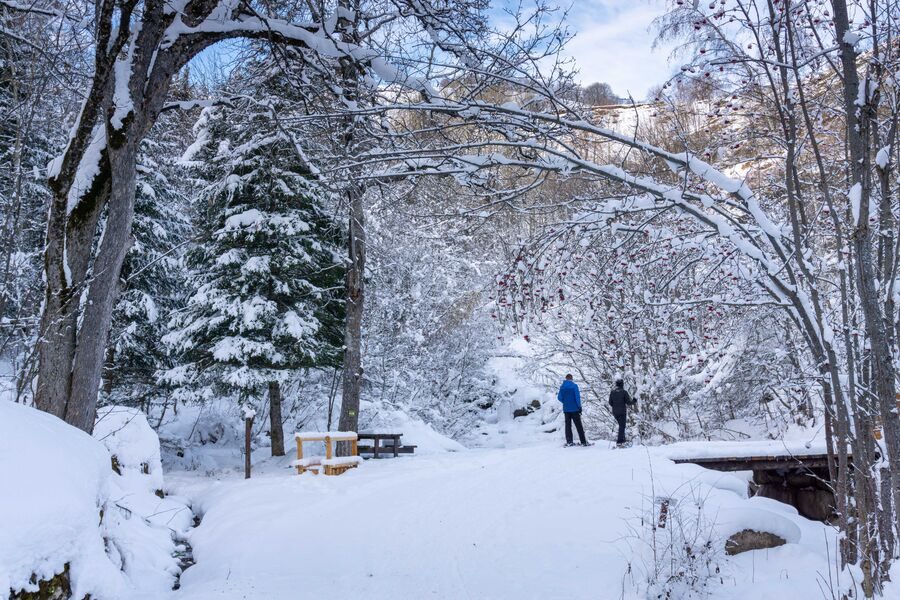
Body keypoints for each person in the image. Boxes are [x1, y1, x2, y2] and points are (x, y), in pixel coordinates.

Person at [557, 374, 589, 446]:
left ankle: (569, 442)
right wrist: (579, 406)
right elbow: (577, 397)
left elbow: (559, 397)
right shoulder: (574, 386)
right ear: (571, 378)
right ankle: (583, 442)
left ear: (566, 378)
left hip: (566, 409)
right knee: (578, 425)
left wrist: (565, 402)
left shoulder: (562, 387)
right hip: (575, 409)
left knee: (568, 426)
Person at [609, 379, 636, 447]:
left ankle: (622, 440)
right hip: (622, 412)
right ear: (622, 384)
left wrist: (615, 406)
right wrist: (634, 401)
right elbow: (628, 402)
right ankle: (620, 442)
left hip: (615, 412)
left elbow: (610, 402)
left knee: (621, 426)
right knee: (622, 426)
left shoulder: (612, 392)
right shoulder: (624, 392)